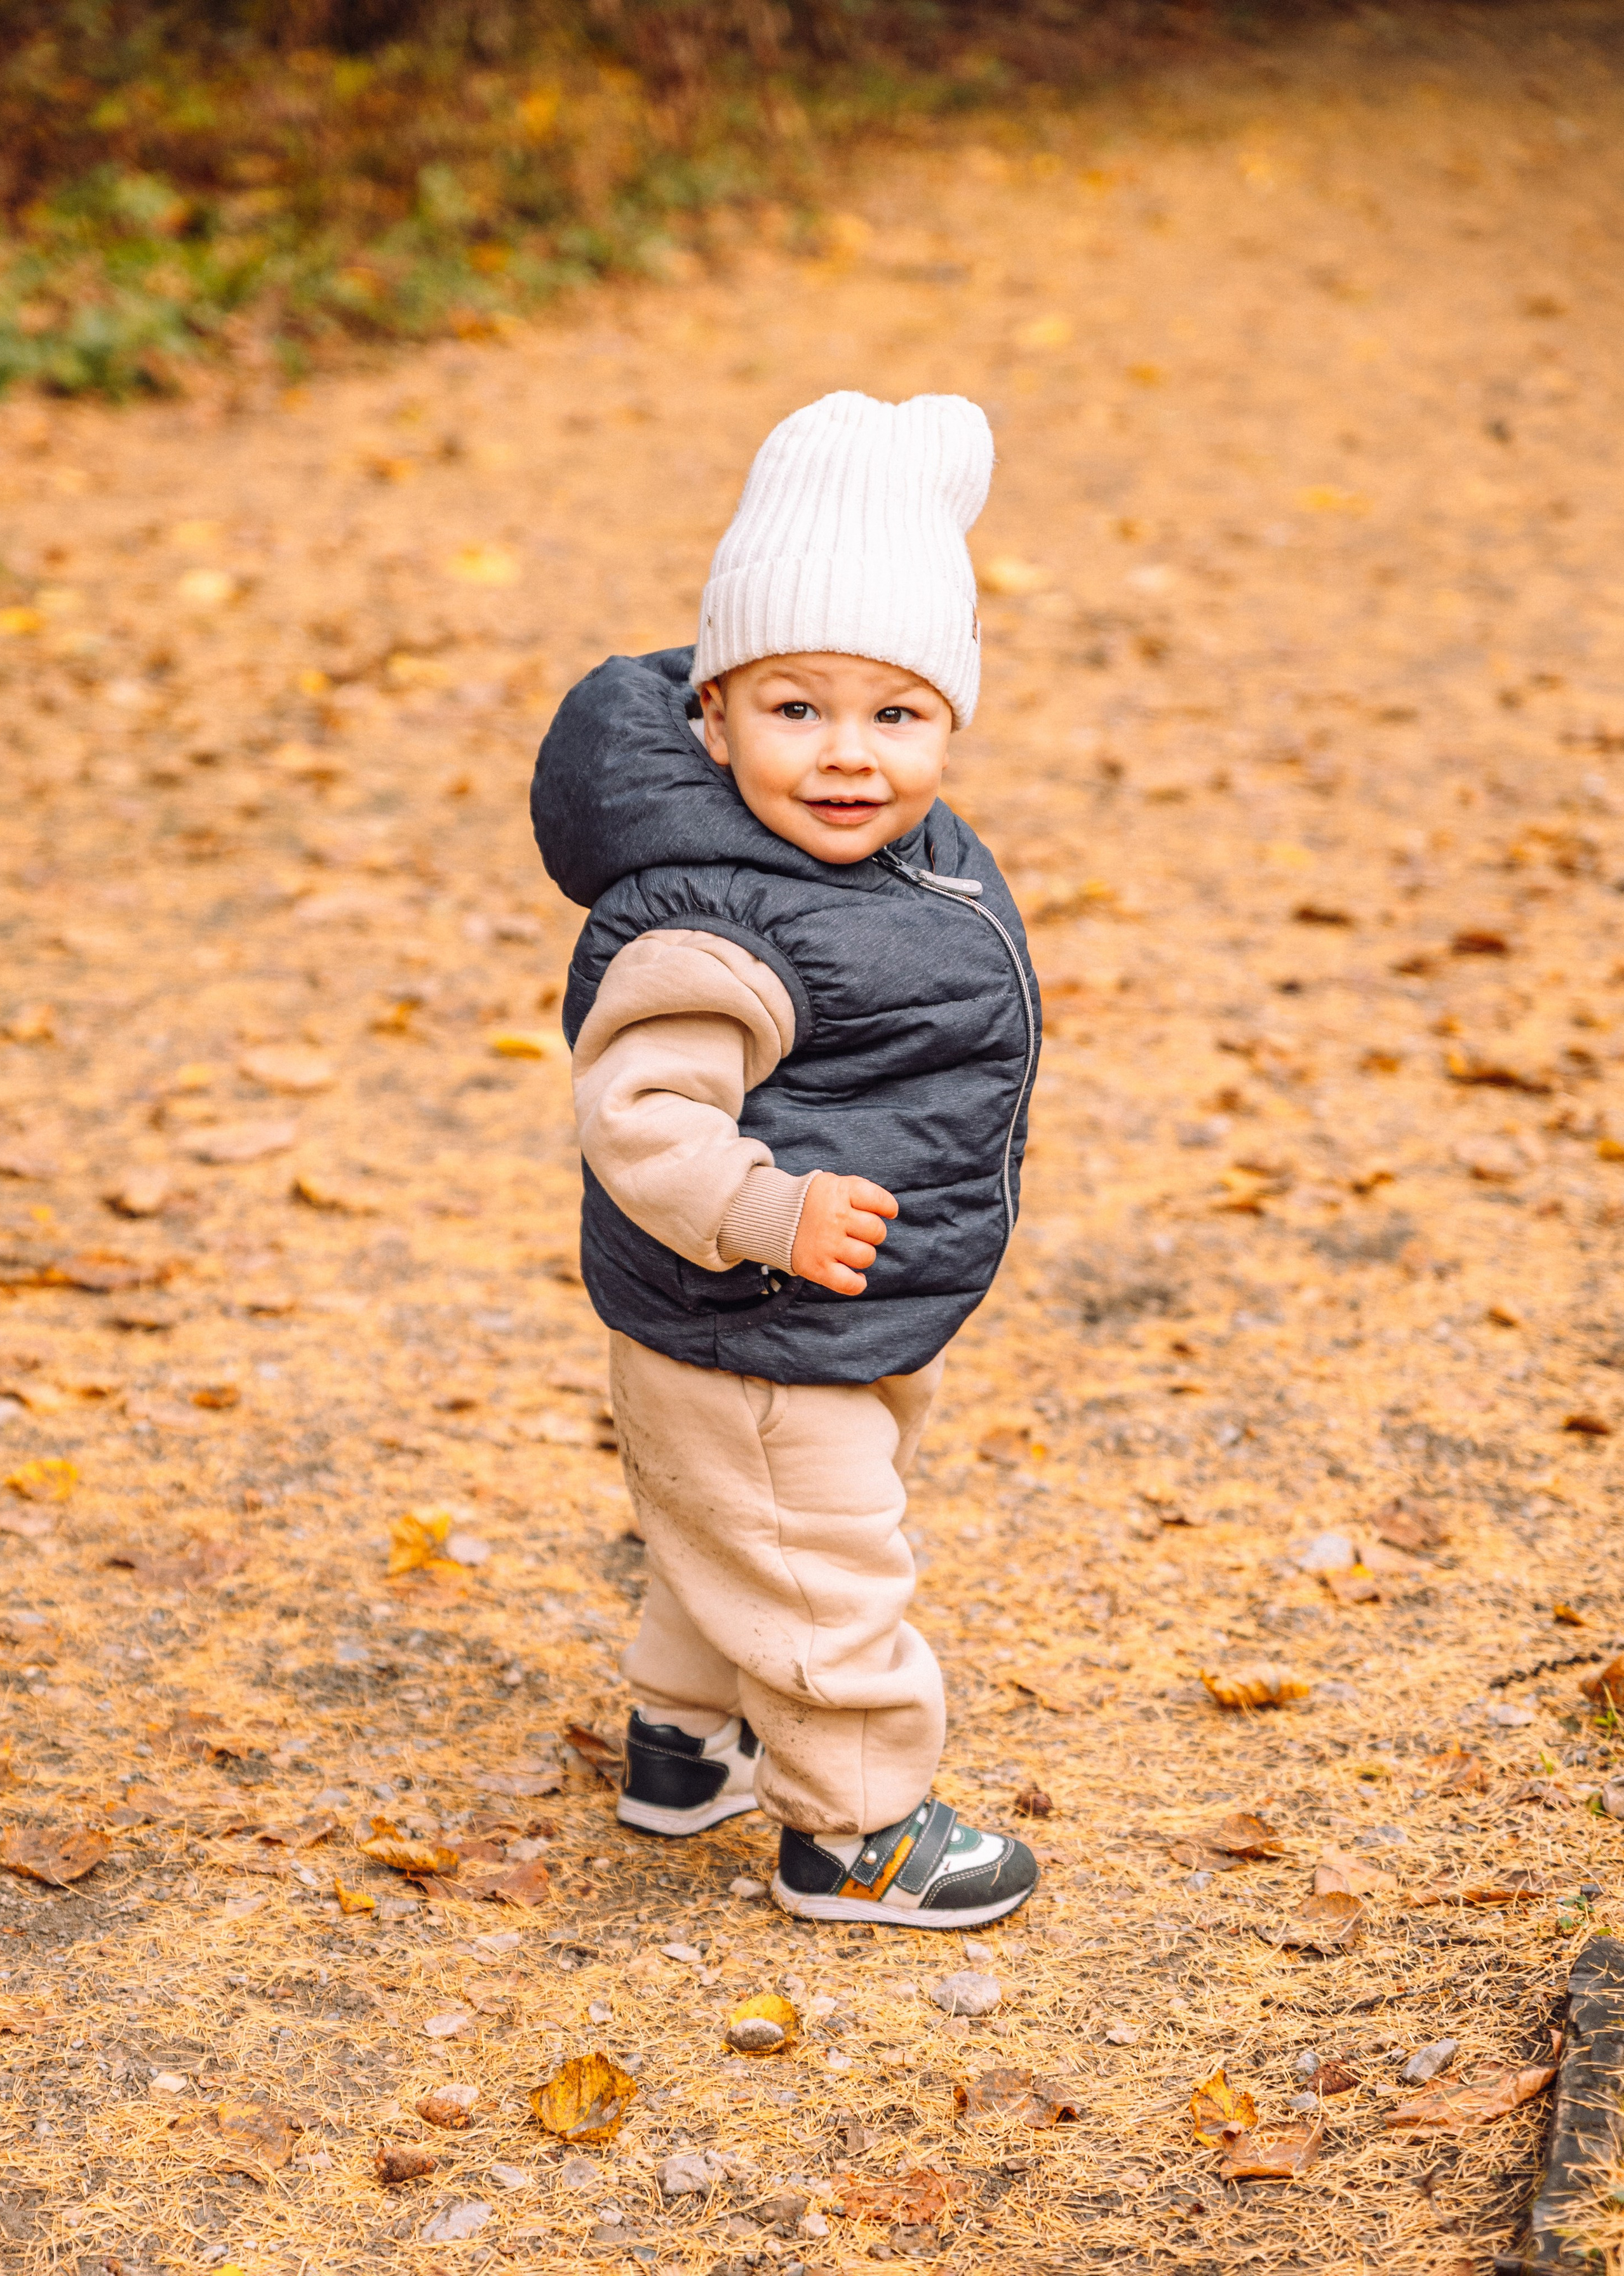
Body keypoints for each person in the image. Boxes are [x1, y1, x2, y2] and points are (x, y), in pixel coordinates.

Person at [530, 391, 1042, 1927]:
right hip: (750, 1308)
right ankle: (858, 1831)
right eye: (793, 710)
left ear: (949, 719)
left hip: (837, 1301)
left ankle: (685, 1749)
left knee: (729, 1532)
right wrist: (766, 1207)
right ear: (712, 714)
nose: (847, 757)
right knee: (820, 1568)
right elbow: (642, 1116)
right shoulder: (713, 911)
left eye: (895, 715)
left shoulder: (906, 862)